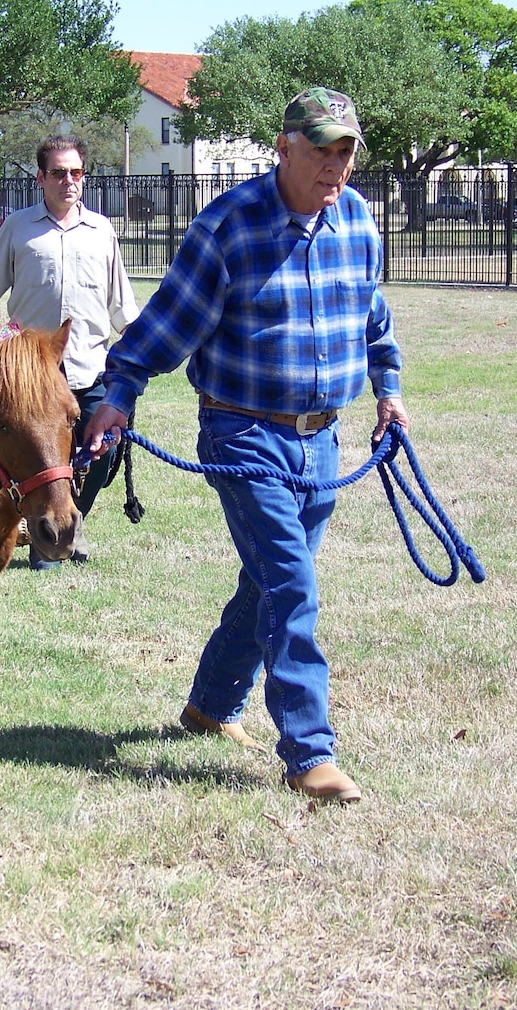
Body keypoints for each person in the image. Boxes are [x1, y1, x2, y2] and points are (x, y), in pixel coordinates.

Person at [84, 88, 408, 804]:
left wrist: (389, 390)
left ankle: (209, 705)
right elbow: (166, 324)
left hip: (321, 439)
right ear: (284, 146)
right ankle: (309, 755)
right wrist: (117, 395)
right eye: (321, 148)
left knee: (266, 580)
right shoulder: (227, 226)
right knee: (292, 582)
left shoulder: (356, 221)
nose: (335, 164)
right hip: (242, 432)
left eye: (346, 150)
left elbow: (374, 318)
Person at [0, 136, 138, 569]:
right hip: (35, 378)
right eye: (58, 173)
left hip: (89, 368)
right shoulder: (18, 228)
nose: (68, 181)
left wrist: (141, 354)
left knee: (105, 453)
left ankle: (70, 524)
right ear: (40, 177)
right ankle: (44, 533)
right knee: (37, 457)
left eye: (76, 172)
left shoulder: (102, 231)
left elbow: (122, 306)